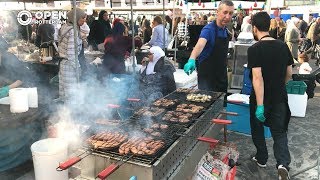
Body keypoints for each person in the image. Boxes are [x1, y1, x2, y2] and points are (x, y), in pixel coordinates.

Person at [247, 12, 293, 180]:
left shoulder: (255, 49)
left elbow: (257, 78)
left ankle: (261, 158)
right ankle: (282, 164)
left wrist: (260, 105)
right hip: (279, 97)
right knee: (279, 132)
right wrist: (280, 86)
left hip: (261, 98)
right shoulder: (283, 46)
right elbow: (289, 72)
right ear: (269, 26)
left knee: (257, 128)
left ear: (254, 28)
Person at [183, 0, 234, 98]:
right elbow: (200, 44)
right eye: (225, 12)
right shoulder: (208, 29)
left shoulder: (226, 31)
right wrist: (192, 59)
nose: (227, 16)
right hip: (207, 77)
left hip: (221, 76)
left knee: (221, 104)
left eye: (230, 13)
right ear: (217, 12)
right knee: (206, 105)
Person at [58, 8, 86, 101]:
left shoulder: (66, 26)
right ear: (76, 18)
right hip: (69, 66)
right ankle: (72, 114)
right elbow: (71, 54)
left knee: (64, 94)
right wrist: (77, 68)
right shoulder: (73, 31)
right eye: (82, 18)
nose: (84, 20)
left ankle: (64, 113)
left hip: (63, 64)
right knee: (72, 94)